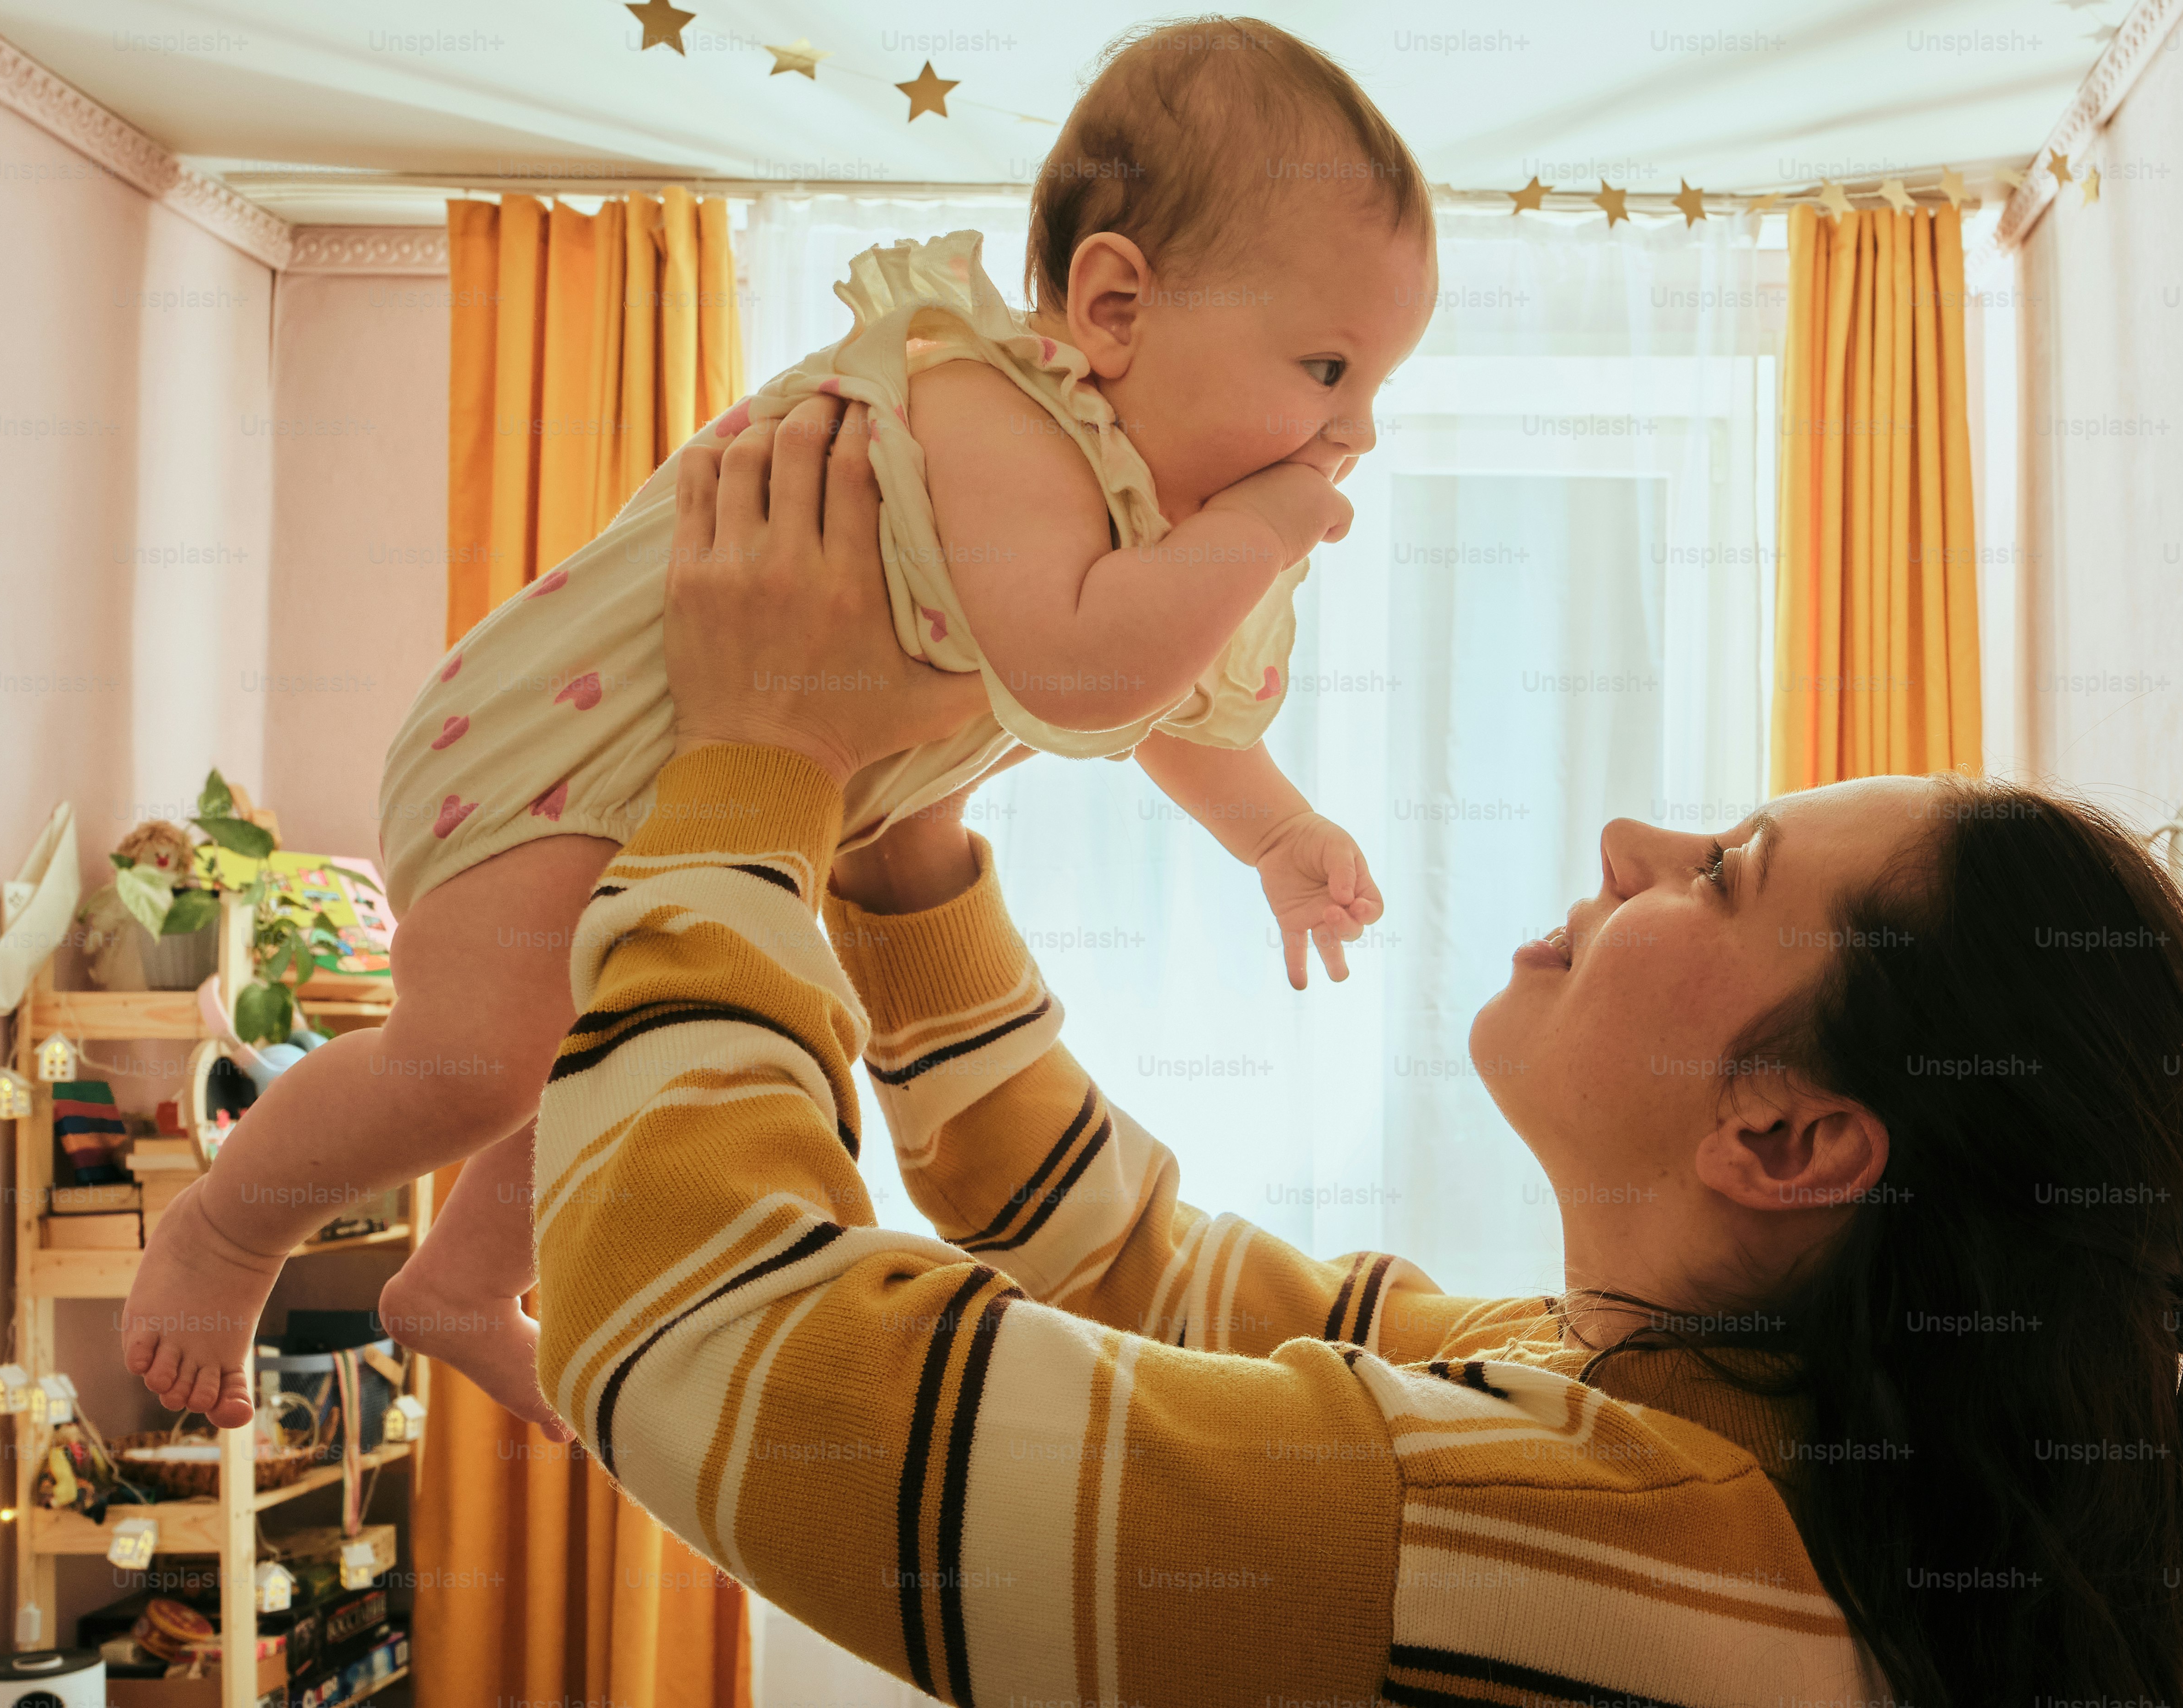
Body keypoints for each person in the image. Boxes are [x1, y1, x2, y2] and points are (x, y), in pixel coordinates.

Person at [535, 392, 2183, 1707]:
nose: (1627, 843)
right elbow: (1121, 1257)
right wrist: (894, 860)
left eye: (1723, 872)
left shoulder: (1550, 1538)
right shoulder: (1659, 1407)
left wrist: (757, 767)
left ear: (1788, 1139)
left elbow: (701, 1337)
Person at [121, 17, 1427, 1432]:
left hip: (705, 795)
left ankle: (461, 1282)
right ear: (1113, 308)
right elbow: (1083, 676)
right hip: (563, 754)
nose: (1354, 433)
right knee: (482, 1055)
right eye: (1327, 371)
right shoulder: (998, 406)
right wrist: (1275, 518)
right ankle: (228, 1230)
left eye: (1376, 387)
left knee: (601, 1037)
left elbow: (1170, 706)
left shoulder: (1137, 529)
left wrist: (1280, 834)